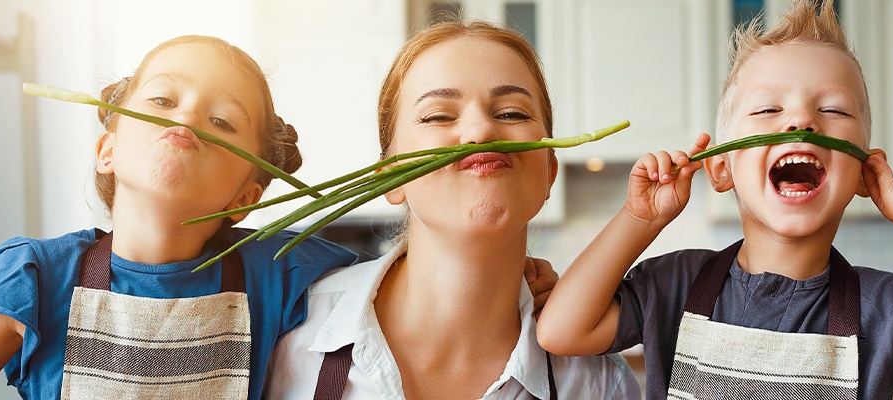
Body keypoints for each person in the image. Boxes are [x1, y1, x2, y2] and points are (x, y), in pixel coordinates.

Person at [535, 1, 893, 399]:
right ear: (722, 167)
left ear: (865, 171)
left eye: (833, 109)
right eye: (769, 108)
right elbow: (562, 331)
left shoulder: (886, 309)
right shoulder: (674, 284)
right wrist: (638, 219)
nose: (801, 122)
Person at [0, 35, 357, 399]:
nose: (189, 116)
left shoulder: (282, 268)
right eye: (162, 100)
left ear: (245, 198)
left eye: (222, 122)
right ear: (108, 150)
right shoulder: (32, 278)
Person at [263, 21, 640, 399]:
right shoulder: (283, 334)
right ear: (392, 179)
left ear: (548, 173)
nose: (480, 131)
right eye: (438, 116)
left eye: (511, 113)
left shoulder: (598, 383)